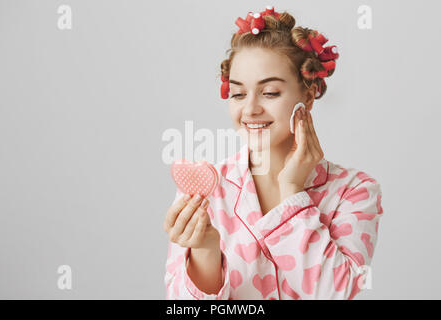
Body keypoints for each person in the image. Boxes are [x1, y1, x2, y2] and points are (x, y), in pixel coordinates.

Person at [163, 6, 383, 300]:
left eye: (269, 93)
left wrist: (291, 191)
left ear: (307, 94)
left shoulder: (353, 192)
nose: (251, 109)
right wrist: (205, 251)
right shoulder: (206, 191)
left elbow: (335, 293)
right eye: (239, 94)